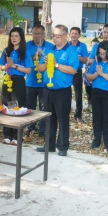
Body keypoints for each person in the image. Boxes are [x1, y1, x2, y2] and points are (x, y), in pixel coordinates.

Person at [36, 25, 79, 156]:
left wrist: (56, 65)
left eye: (58, 35)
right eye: (54, 35)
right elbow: (39, 68)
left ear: (66, 36)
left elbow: (73, 70)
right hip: (48, 90)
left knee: (62, 119)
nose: (55, 38)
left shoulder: (71, 51)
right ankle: (49, 145)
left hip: (62, 91)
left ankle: (62, 147)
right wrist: (44, 63)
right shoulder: (49, 50)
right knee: (49, 118)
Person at [0, 27, 32, 145]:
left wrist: (14, 66)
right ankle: (7, 135)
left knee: (16, 107)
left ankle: (17, 136)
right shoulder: (6, 50)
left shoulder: (25, 53)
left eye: (16, 36)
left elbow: (28, 70)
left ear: (21, 38)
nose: (14, 38)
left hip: (18, 81)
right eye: (12, 36)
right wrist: (6, 66)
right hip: (7, 80)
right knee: (6, 106)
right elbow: (1, 66)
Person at [87, 41, 108, 152]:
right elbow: (89, 77)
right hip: (96, 93)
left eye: (104, 53)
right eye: (100, 53)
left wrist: (102, 74)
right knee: (97, 118)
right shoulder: (96, 63)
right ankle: (96, 141)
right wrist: (97, 73)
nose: (102, 56)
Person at [26, 24, 54, 136]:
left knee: (44, 106)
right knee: (30, 105)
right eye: (35, 33)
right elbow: (23, 60)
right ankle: (30, 126)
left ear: (44, 34)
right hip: (30, 81)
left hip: (45, 82)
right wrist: (33, 57)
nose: (37, 36)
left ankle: (43, 129)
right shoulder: (27, 45)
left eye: (39, 33)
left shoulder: (50, 46)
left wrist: (44, 57)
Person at [69, 27, 88, 124]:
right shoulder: (66, 45)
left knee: (78, 94)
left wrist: (75, 57)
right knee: (66, 92)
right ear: (69, 34)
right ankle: (66, 112)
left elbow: (85, 59)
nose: (74, 35)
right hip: (66, 71)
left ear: (79, 35)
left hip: (77, 71)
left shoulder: (83, 46)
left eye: (76, 34)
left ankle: (78, 115)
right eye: (72, 33)